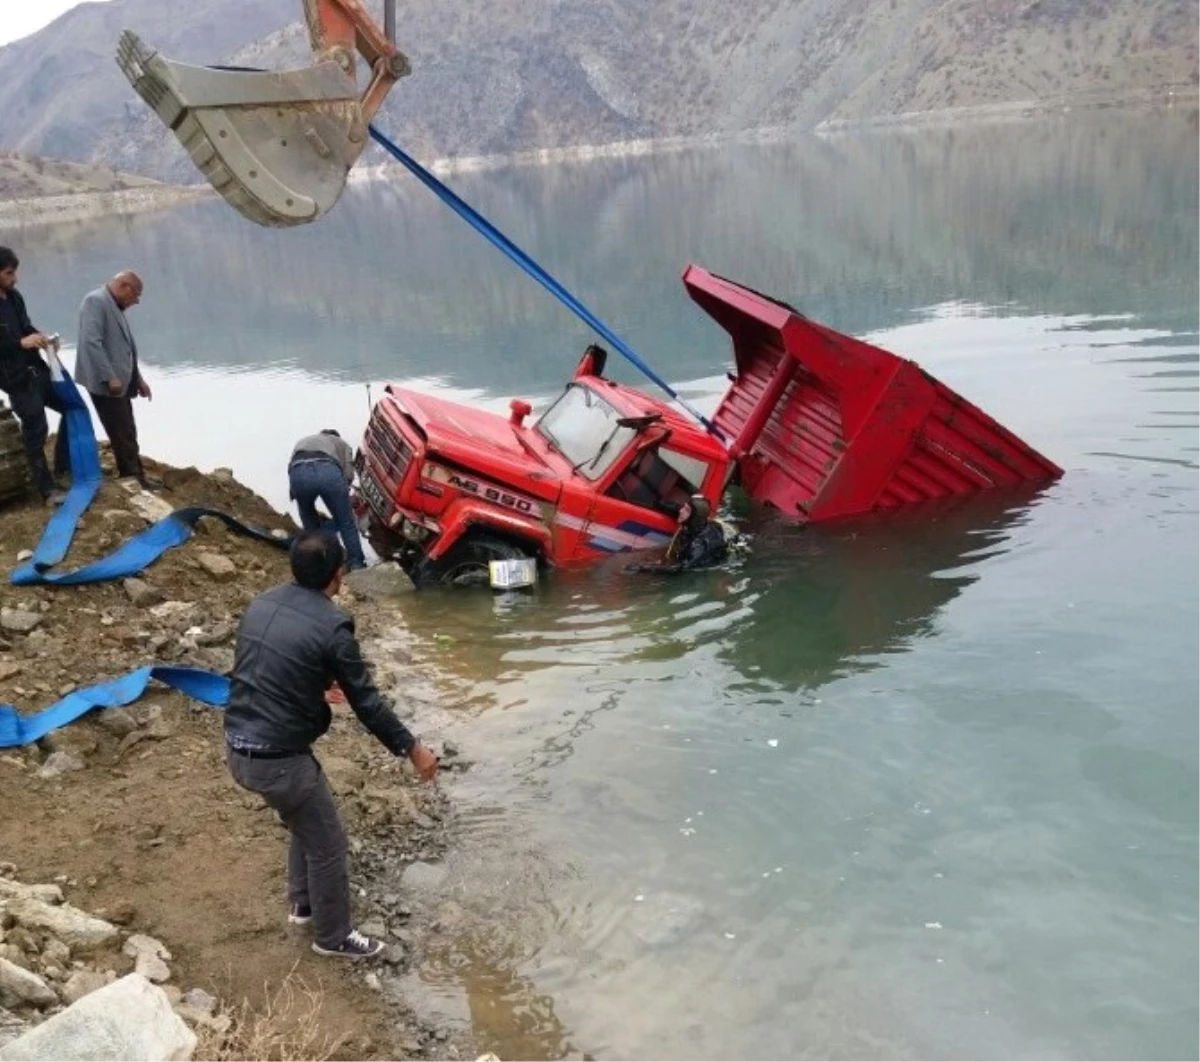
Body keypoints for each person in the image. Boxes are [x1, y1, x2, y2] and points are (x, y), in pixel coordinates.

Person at [224, 530, 439, 960]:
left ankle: (303, 905)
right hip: (278, 760)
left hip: (237, 745)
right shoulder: (333, 627)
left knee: (305, 819)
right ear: (337, 576)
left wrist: (313, 687)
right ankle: (333, 936)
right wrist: (412, 748)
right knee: (329, 844)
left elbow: (262, 666)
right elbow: (369, 705)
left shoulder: (262, 602)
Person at [74, 271, 161, 490]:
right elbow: (91, 342)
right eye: (136, 295)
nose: (137, 301)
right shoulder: (96, 301)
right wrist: (109, 376)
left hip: (121, 381)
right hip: (106, 384)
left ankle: (136, 474)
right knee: (121, 431)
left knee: (128, 429)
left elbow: (125, 348)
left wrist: (138, 379)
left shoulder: (114, 304)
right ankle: (131, 478)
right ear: (125, 286)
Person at [0, 246, 70, 505]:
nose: (14, 278)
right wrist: (21, 343)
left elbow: (26, 326)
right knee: (36, 429)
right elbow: (12, 341)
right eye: (8, 273)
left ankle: (63, 465)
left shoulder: (14, 296)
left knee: (70, 408)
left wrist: (42, 338)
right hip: (15, 379)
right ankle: (47, 490)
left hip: (37, 368)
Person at [288, 429, 366, 571]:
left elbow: (291, 467)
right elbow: (348, 475)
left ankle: (314, 562)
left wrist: (295, 493)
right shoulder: (342, 443)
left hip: (298, 474)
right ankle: (356, 564)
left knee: (309, 520)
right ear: (335, 436)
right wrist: (345, 497)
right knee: (346, 522)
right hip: (327, 471)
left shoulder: (304, 439)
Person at [627, 494, 729, 574]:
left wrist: (642, 568)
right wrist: (655, 503)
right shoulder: (694, 521)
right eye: (683, 507)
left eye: (686, 510)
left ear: (694, 517)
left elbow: (681, 568)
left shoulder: (700, 544)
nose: (681, 511)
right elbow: (677, 509)